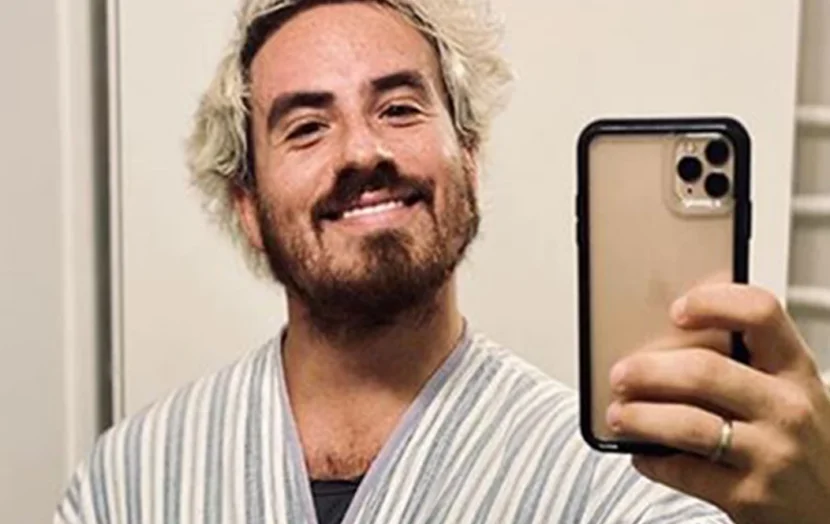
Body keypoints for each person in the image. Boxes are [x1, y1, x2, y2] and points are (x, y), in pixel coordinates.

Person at [54, 0, 830, 522]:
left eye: (399, 108)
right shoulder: (129, 484)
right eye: (307, 126)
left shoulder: (626, 489)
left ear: (469, 160)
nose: (362, 150)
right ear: (248, 207)